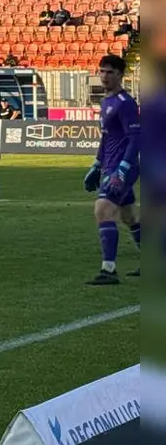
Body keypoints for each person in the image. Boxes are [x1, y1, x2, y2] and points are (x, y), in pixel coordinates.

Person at [85, 54, 141, 284]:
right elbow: (106, 138)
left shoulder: (125, 103)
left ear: (120, 75)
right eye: (102, 71)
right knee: (129, 216)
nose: (105, 76)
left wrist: (122, 169)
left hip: (122, 168)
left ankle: (109, 270)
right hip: (109, 166)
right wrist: (96, 165)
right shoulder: (106, 102)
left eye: (110, 72)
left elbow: (136, 138)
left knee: (102, 210)